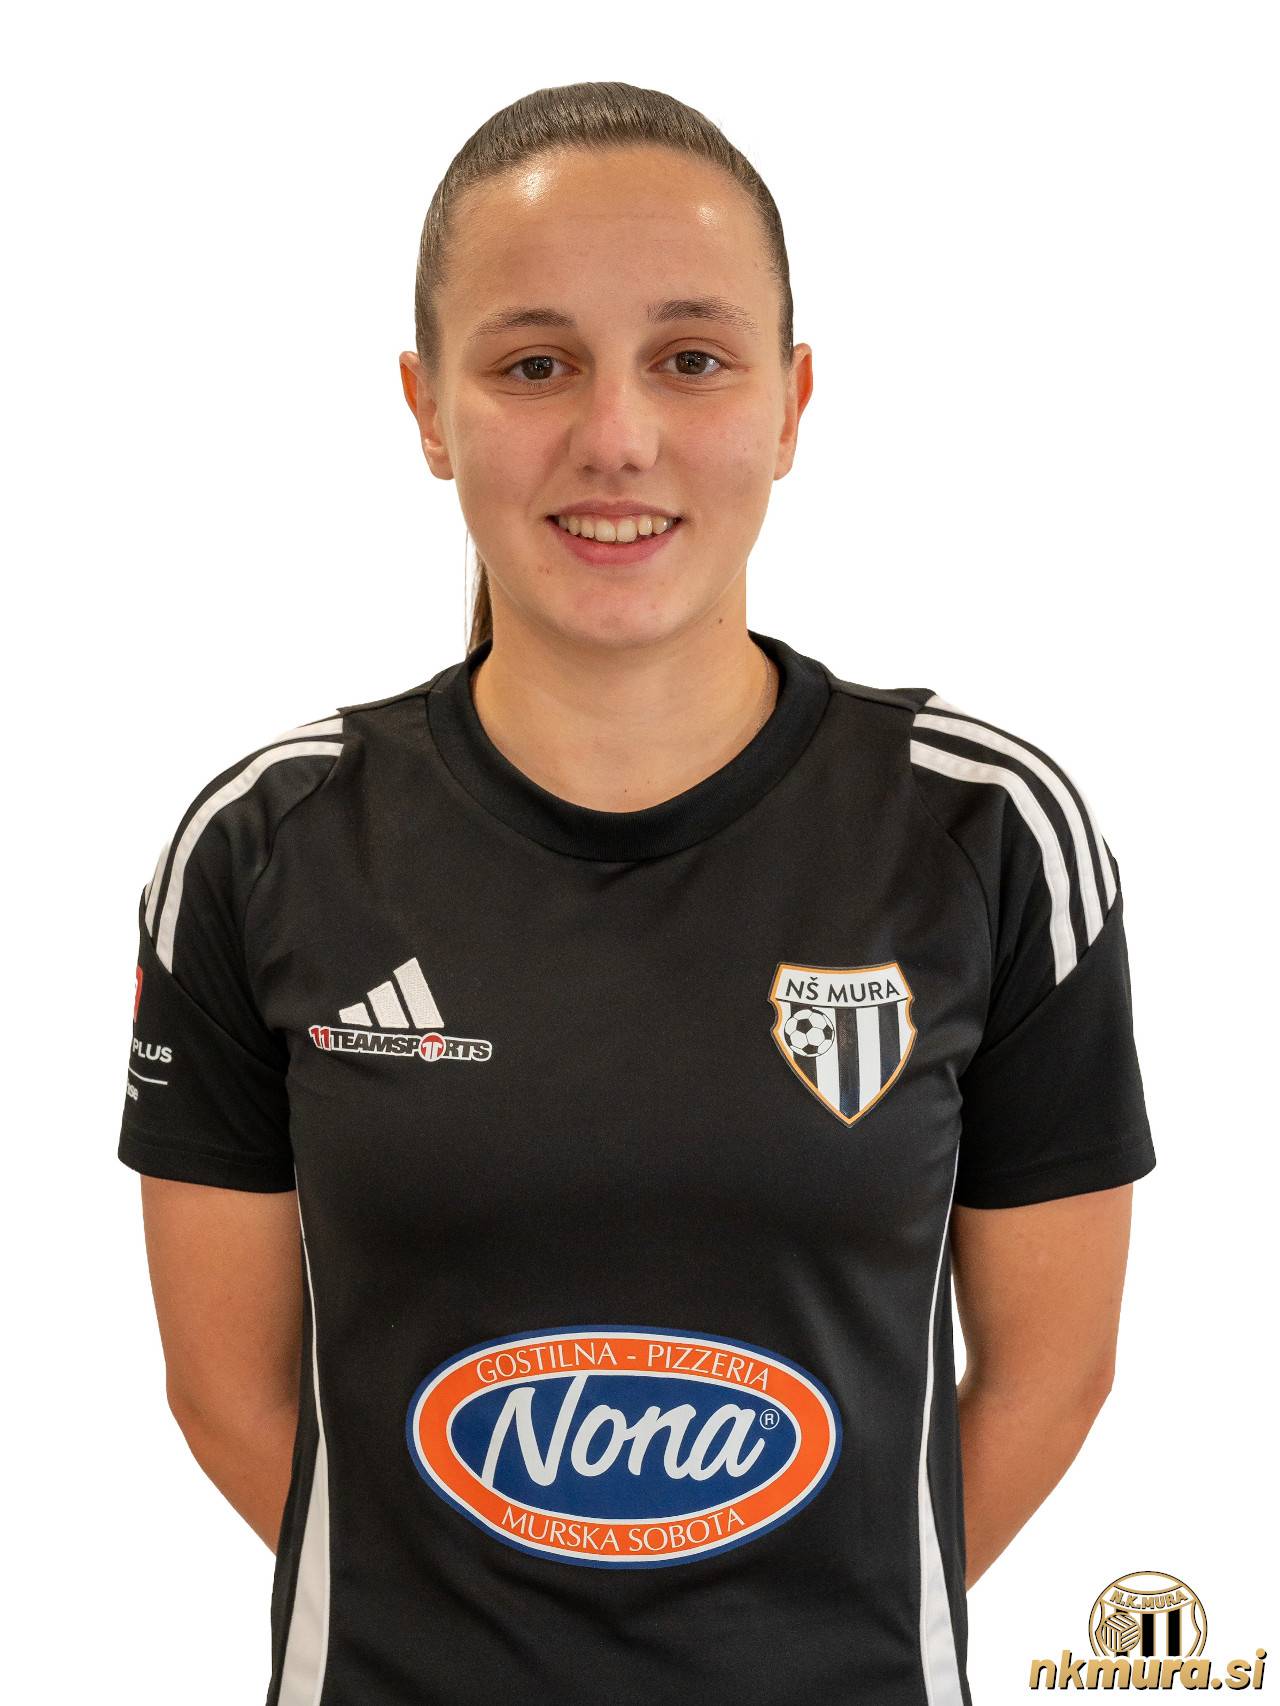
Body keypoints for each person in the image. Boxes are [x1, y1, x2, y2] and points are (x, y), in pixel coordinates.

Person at [119, 80, 1156, 1706]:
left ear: (792, 402)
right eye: (535, 364)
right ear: (428, 409)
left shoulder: (989, 834)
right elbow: (226, 1395)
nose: (616, 435)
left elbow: (1052, 1375)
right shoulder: (263, 849)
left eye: (691, 358)